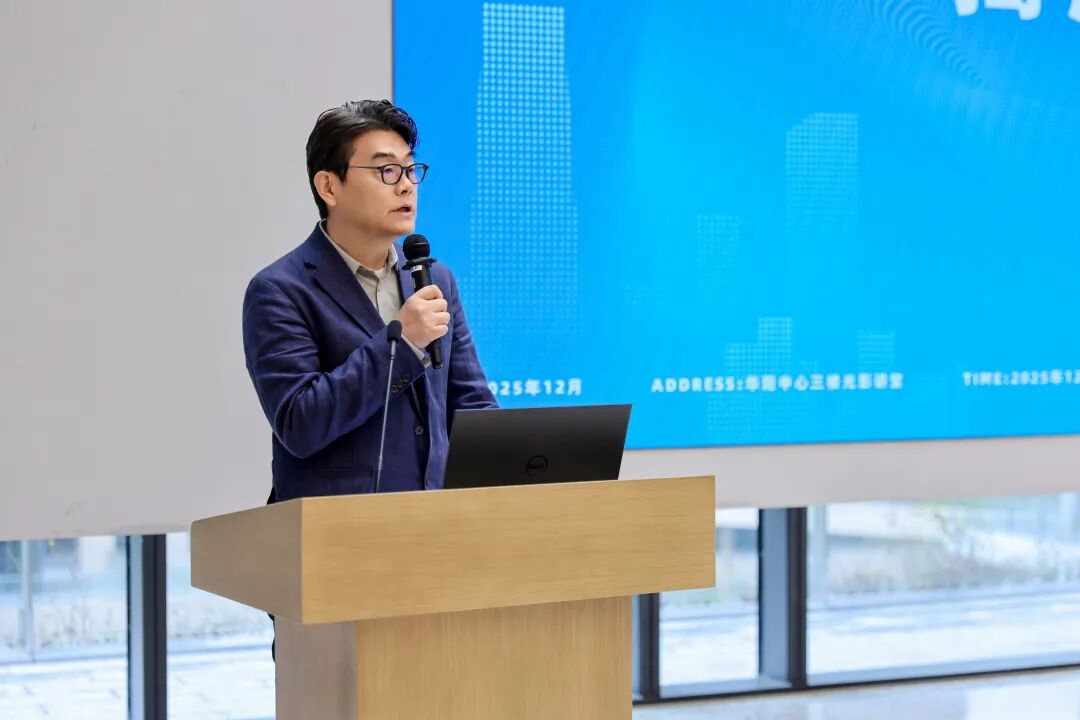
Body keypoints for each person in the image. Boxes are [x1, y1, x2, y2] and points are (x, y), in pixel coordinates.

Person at [243, 99, 497, 501]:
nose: (406, 185)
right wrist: (402, 343)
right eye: (386, 170)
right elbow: (300, 424)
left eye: (410, 169)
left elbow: (471, 406)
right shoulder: (280, 290)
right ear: (329, 187)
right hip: (335, 525)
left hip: (434, 520)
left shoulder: (434, 280)